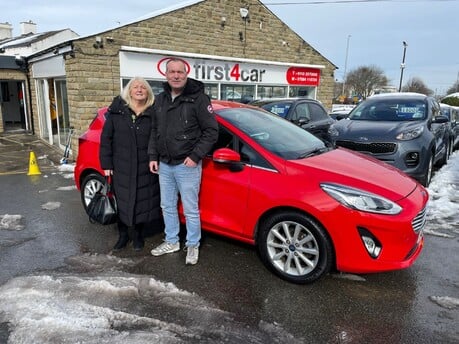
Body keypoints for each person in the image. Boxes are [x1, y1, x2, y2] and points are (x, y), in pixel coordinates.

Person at [148, 58, 218, 265]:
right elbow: (154, 131)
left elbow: (211, 131)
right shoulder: (160, 100)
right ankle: (172, 241)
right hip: (164, 164)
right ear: (166, 74)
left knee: (190, 209)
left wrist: (195, 156)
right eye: (172, 72)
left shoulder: (198, 99)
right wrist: (153, 156)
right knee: (167, 206)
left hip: (186, 165)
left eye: (180, 72)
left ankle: (193, 244)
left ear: (186, 74)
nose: (176, 76)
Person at [99, 77, 162, 251]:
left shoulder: (153, 112)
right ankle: (123, 236)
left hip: (145, 166)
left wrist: (154, 158)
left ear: (148, 91)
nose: (140, 89)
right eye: (136, 87)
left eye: (143, 87)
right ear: (129, 91)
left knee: (142, 202)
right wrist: (107, 164)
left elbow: (157, 138)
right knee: (122, 202)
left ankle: (138, 236)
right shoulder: (117, 112)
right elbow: (106, 139)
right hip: (122, 166)